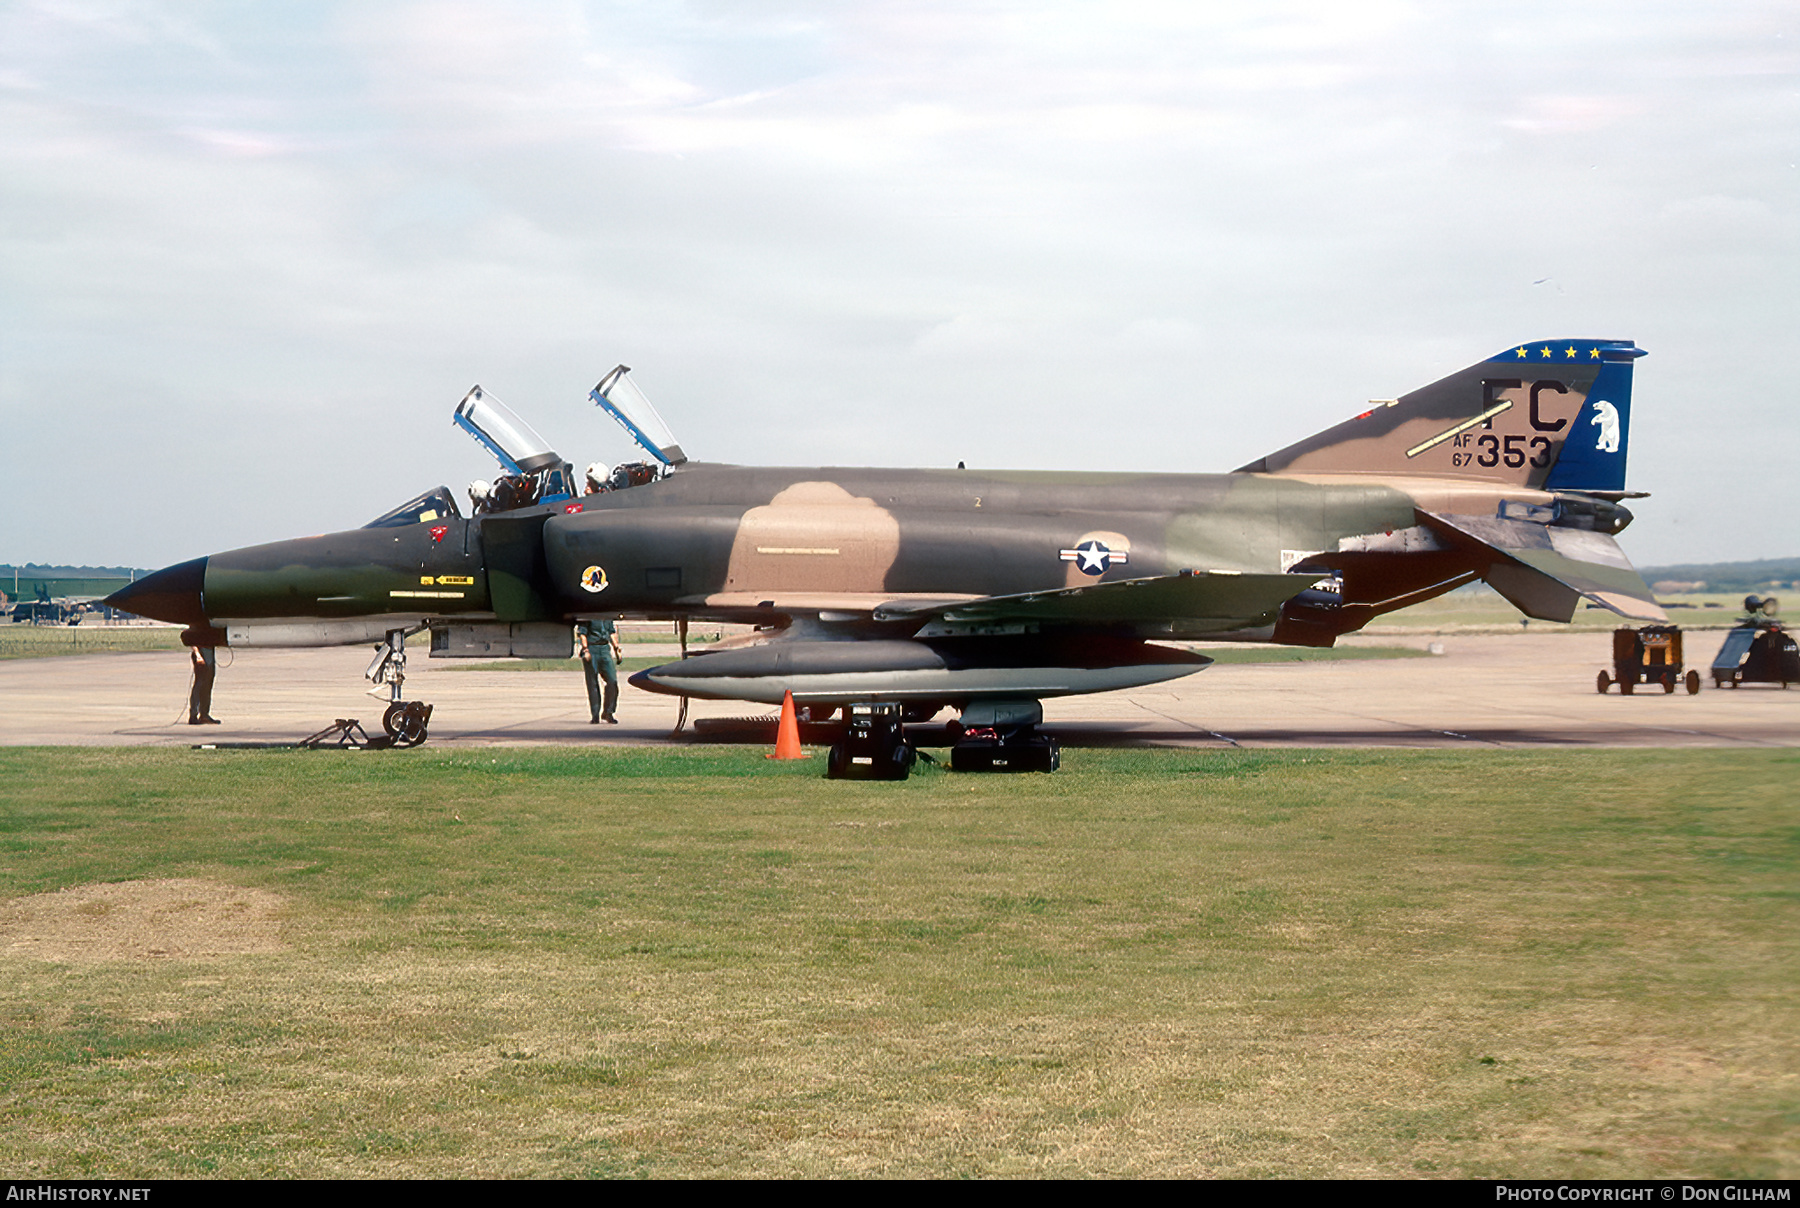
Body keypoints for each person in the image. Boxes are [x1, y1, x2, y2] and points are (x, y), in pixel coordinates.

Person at [576, 617, 622, 723]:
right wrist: (585, 649)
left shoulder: (607, 616)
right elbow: (582, 633)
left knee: (612, 681)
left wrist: (616, 648)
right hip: (592, 648)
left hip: (605, 649)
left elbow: (611, 632)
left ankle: (608, 712)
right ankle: (595, 714)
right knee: (592, 683)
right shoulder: (588, 615)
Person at [181, 629, 220, 725]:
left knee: (208, 683)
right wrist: (198, 655)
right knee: (199, 683)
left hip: (209, 651)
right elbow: (191, 641)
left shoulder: (206, 625)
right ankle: (193, 715)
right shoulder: (197, 624)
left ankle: (204, 714)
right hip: (202, 653)